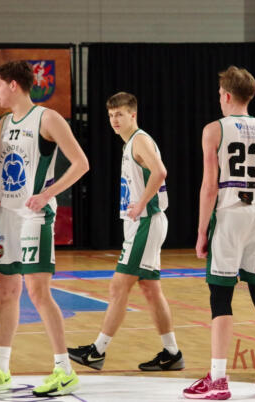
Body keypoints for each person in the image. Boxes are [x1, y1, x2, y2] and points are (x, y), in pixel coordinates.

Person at [0, 61, 89, 397]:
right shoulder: (4, 123)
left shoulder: (47, 118)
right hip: (7, 216)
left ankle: (64, 370)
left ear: (13, 85)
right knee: (7, 293)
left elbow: (81, 163)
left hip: (34, 216)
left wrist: (48, 194)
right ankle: (1, 369)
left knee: (38, 292)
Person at [183, 66, 255, 400]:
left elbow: (209, 187)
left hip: (230, 213)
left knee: (221, 298)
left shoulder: (214, 129)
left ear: (226, 95)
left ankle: (218, 379)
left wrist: (201, 231)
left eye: (219, 94)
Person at [67, 92, 184, 372]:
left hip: (146, 221)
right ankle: (172, 353)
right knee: (151, 289)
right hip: (142, 222)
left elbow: (160, 172)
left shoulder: (139, 140)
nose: (114, 120)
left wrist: (141, 202)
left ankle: (97, 351)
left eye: (119, 114)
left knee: (118, 286)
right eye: (110, 115)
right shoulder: (130, 143)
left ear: (133, 114)